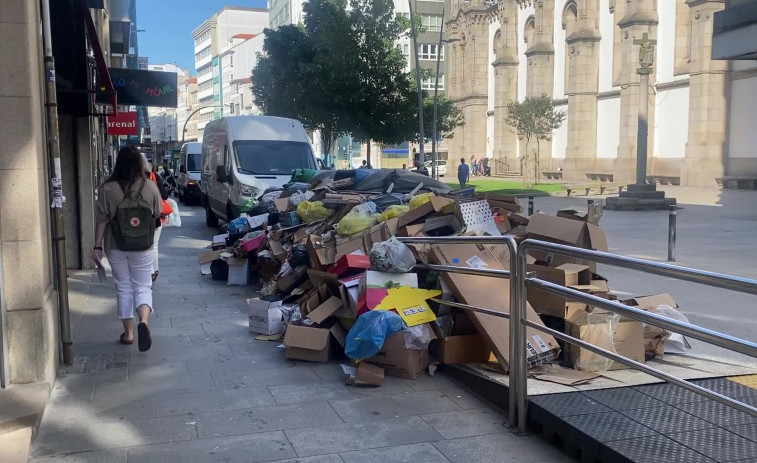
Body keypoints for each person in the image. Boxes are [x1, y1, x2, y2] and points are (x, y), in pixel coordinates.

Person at [93, 145, 163, 352]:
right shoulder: (150, 186)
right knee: (143, 285)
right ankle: (144, 321)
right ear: (139, 163)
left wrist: (97, 246)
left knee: (123, 286)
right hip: (142, 245)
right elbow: (157, 212)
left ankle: (129, 333)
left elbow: (101, 220)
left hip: (116, 245)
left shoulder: (107, 188)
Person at [147, 159, 173, 283]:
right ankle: (153, 271)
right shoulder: (154, 177)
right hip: (154, 217)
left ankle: (146, 270)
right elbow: (165, 196)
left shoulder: (130, 179)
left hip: (135, 219)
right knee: (154, 245)